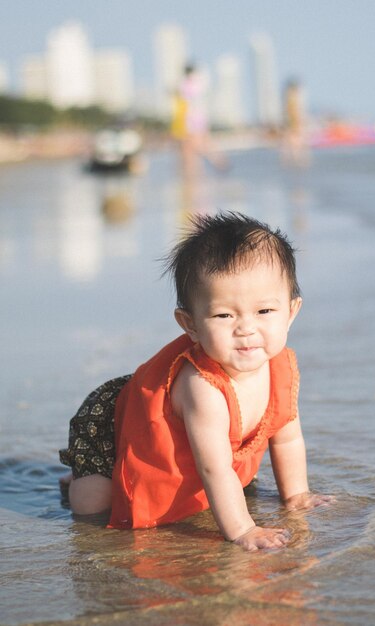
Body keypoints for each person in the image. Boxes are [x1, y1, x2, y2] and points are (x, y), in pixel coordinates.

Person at [59, 212, 334, 551]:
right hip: (113, 418)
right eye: (224, 315)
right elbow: (214, 468)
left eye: (264, 312)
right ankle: (80, 475)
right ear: (189, 324)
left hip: (172, 426)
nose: (246, 328)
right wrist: (243, 530)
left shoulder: (279, 367)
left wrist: (297, 495)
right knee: (93, 504)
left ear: (291, 312)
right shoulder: (202, 387)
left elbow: (287, 439)